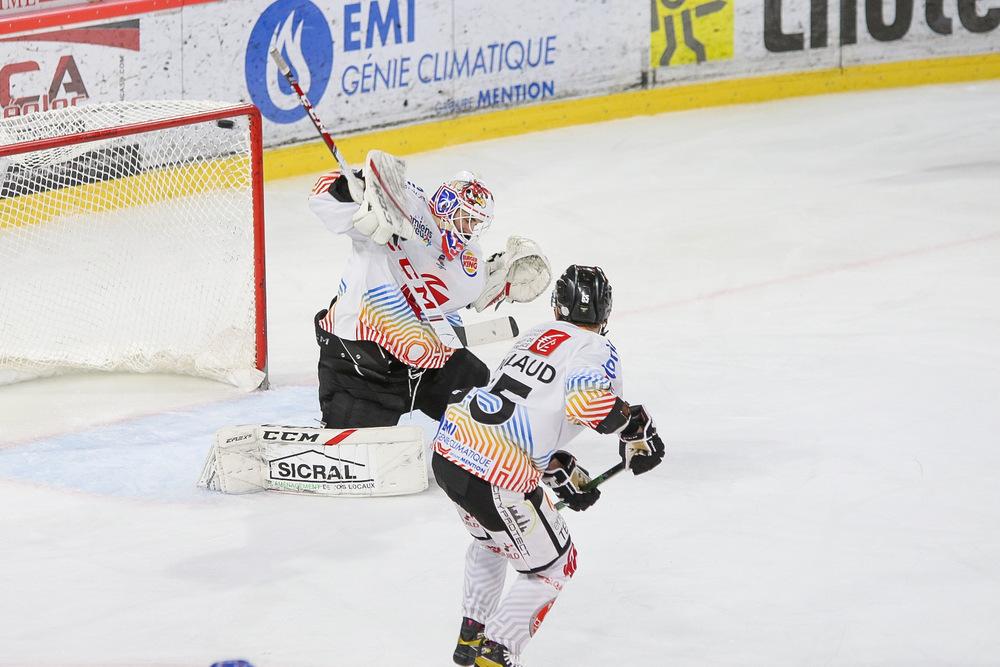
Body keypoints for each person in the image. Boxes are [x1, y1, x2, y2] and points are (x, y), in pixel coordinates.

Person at [431, 265, 666, 667]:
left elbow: (526, 409)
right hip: (496, 473)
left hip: (451, 450)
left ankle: (471, 638)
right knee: (554, 565)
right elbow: (586, 404)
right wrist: (635, 424)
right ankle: (496, 654)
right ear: (605, 314)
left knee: (492, 541)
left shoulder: (536, 334)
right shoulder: (595, 348)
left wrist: (556, 466)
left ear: (557, 307)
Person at [307, 151, 550, 428]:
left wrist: (496, 279)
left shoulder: (467, 259)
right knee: (352, 455)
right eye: (467, 219)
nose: (470, 230)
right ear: (447, 204)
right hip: (362, 366)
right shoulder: (401, 202)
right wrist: (355, 192)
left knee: (485, 406)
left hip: (427, 367)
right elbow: (320, 197)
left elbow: (469, 291)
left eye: (476, 224)